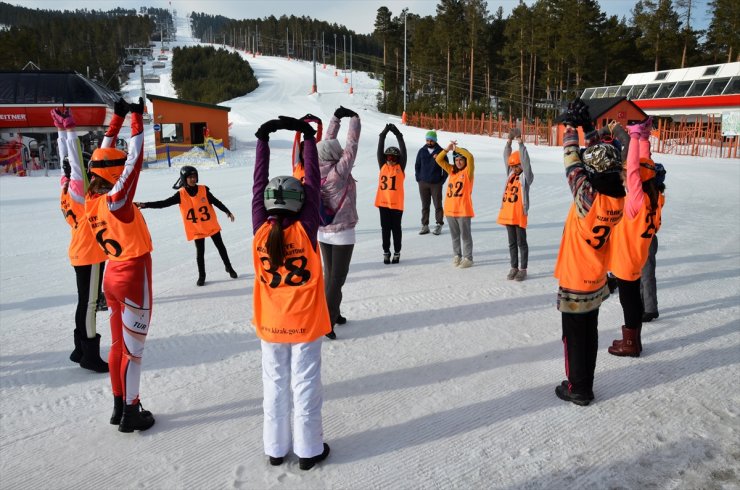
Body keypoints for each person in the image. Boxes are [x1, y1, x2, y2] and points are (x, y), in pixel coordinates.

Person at [252, 116, 331, 470]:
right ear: (300, 204)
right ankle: (309, 450)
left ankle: (275, 447)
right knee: (305, 386)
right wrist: (310, 141)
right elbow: (313, 183)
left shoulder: (259, 232)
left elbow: (256, 187)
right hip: (305, 325)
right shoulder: (307, 229)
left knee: (275, 386)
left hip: (271, 326)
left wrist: (263, 142)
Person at [85, 97, 155, 432]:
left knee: (117, 346)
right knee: (134, 351)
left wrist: (117, 119)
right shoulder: (118, 202)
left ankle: (118, 404)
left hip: (112, 275)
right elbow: (135, 161)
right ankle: (130, 411)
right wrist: (137, 118)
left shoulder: (91, 200)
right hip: (133, 273)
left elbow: (104, 157)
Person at [553, 99, 626, 406]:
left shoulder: (587, 198)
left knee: (574, 339)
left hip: (575, 278)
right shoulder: (616, 199)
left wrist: (571, 127)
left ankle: (578, 387)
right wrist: (589, 129)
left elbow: (572, 161)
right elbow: (593, 161)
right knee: (590, 335)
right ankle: (586, 382)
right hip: (596, 277)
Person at [53, 108, 109, 373]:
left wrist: (62, 133)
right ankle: (90, 354)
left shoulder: (65, 189)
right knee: (89, 304)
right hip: (91, 255)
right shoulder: (78, 191)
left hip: (78, 252)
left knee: (82, 300)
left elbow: (66, 161)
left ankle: (79, 348)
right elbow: (74, 163)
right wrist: (70, 130)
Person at [607, 118, 665, 357]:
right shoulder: (655, 199)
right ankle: (633, 340)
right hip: (637, 255)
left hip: (626, 259)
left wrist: (633, 137)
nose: (626, 177)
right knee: (631, 300)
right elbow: (643, 165)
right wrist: (642, 138)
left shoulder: (637, 202)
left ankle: (631, 343)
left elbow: (633, 168)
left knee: (629, 301)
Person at [135, 166, 238, 287]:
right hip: (197, 229)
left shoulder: (204, 190)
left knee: (221, 247)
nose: (193, 179)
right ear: (184, 179)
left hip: (211, 225)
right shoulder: (181, 195)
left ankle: (229, 267)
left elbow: (216, 202)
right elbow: (163, 203)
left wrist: (227, 211)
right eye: (190, 177)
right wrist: (144, 205)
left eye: (194, 177)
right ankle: (202, 275)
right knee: (200, 253)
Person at [317, 106, 360, 339]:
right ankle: (328, 321)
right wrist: (354, 119)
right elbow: (352, 145)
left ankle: (336, 312)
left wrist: (335, 118)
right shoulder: (339, 173)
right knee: (337, 277)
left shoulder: (316, 167)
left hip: (322, 230)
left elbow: (327, 143)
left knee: (330, 274)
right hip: (342, 231)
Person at [498, 128, 533, 281]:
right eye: (512, 166)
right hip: (508, 215)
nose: (514, 168)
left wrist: (520, 143)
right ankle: (514, 267)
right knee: (511, 243)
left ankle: (523, 269)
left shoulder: (526, 178)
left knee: (521, 242)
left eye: (516, 166)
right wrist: (509, 141)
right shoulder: (510, 175)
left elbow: (526, 162)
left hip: (519, 214)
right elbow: (506, 157)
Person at [434, 141, 475, 268]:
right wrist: (447, 149)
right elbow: (439, 160)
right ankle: (457, 255)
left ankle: (468, 258)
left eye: (461, 159)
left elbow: (470, 157)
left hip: (463, 210)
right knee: (455, 236)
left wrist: (457, 148)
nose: (458, 162)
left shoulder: (468, 172)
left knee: (465, 236)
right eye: (456, 159)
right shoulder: (452, 170)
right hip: (450, 210)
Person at [375, 123, 407, 264]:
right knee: (385, 229)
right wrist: (383, 134)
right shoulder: (383, 166)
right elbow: (379, 149)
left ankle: (397, 252)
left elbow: (404, 151)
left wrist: (398, 134)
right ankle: (386, 251)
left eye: (394, 158)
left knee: (396, 229)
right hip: (383, 204)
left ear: (398, 159)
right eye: (388, 157)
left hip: (396, 205)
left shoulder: (400, 168)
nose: (391, 160)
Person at [640, 164, 665, 323]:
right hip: (650, 237)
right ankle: (646, 305)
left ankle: (649, 308)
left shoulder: (649, 197)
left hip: (645, 238)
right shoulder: (656, 194)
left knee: (646, 275)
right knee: (645, 274)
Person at [415, 130, 448, 235]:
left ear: (435, 140)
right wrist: (418, 178)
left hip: (436, 184)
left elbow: (446, 168)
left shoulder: (441, 151)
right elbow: (417, 166)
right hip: (423, 183)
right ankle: (425, 225)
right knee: (425, 206)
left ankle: (439, 224)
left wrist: (441, 181)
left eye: (431, 141)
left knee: (437, 205)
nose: (429, 142)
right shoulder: (422, 151)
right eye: (427, 140)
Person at [291, 114, 323, 184]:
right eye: (304, 150)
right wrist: (299, 126)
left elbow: (318, 144)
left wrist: (319, 124)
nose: (306, 153)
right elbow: (296, 143)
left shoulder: (317, 164)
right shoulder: (297, 165)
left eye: (309, 150)